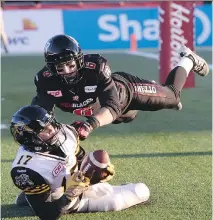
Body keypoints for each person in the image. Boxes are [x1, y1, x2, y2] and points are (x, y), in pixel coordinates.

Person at [31, 34, 209, 141]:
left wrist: (89, 126)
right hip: (111, 114)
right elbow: (40, 114)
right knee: (128, 117)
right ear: (50, 68)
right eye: (60, 68)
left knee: (173, 98)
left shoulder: (96, 68)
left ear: (79, 60)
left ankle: (188, 59)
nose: (67, 72)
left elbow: (112, 106)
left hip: (125, 93)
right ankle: (159, 92)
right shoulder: (46, 81)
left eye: (70, 65)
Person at [10, 105, 150, 220]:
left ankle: (33, 194)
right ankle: (35, 195)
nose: (52, 129)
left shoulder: (65, 132)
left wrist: (96, 172)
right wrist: (69, 195)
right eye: (44, 129)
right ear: (28, 137)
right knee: (140, 191)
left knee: (105, 187)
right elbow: (47, 215)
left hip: (74, 183)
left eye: (51, 124)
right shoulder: (25, 169)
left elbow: (80, 157)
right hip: (64, 200)